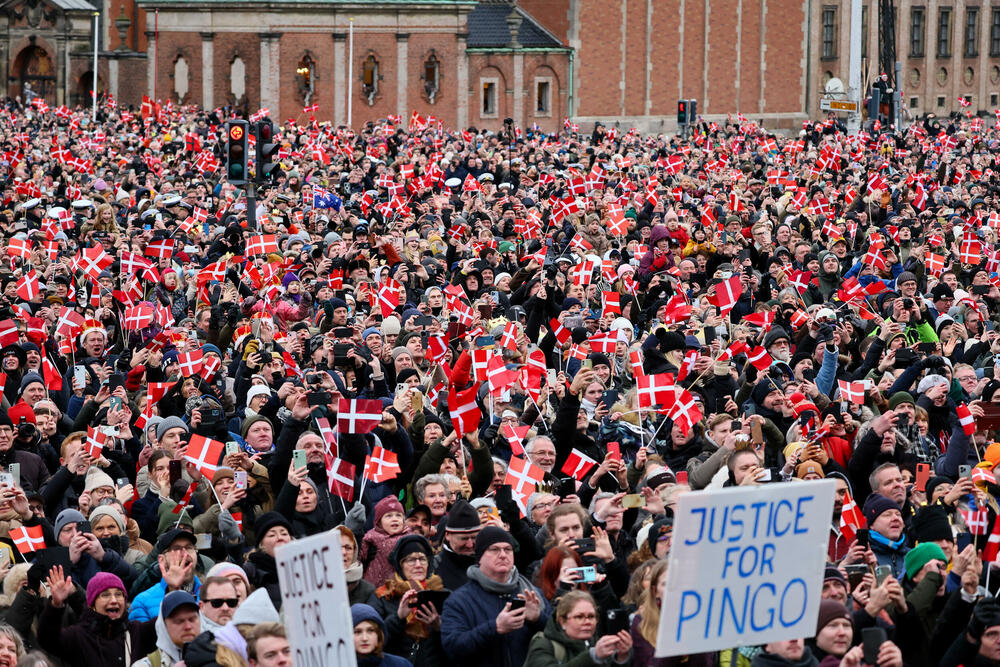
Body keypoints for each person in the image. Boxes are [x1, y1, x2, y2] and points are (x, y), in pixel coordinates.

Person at [440, 527, 551, 667]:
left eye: (508, 549)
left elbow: (559, 636)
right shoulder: (459, 601)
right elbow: (453, 648)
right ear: (479, 557)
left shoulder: (532, 593)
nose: (503, 555)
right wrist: (495, 627)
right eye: (494, 549)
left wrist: (538, 619)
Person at [38, 570, 155, 667]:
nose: (114, 600)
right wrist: (55, 605)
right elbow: (48, 639)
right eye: (105, 595)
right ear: (92, 604)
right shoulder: (78, 636)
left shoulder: (137, 632)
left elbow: (164, 623)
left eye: (118, 594)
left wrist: (168, 587)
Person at [524, 591, 632, 666]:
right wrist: (591, 657)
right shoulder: (543, 643)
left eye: (591, 616)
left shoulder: (597, 644)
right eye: (579, 617)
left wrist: (621, 658)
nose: (587, 622)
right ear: (562, 622)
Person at [133, 591, 201, 667]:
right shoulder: (144, 665)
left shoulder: (212, 659)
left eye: (192, 619)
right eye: (179, 621)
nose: (188, 626)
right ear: (164, 626)